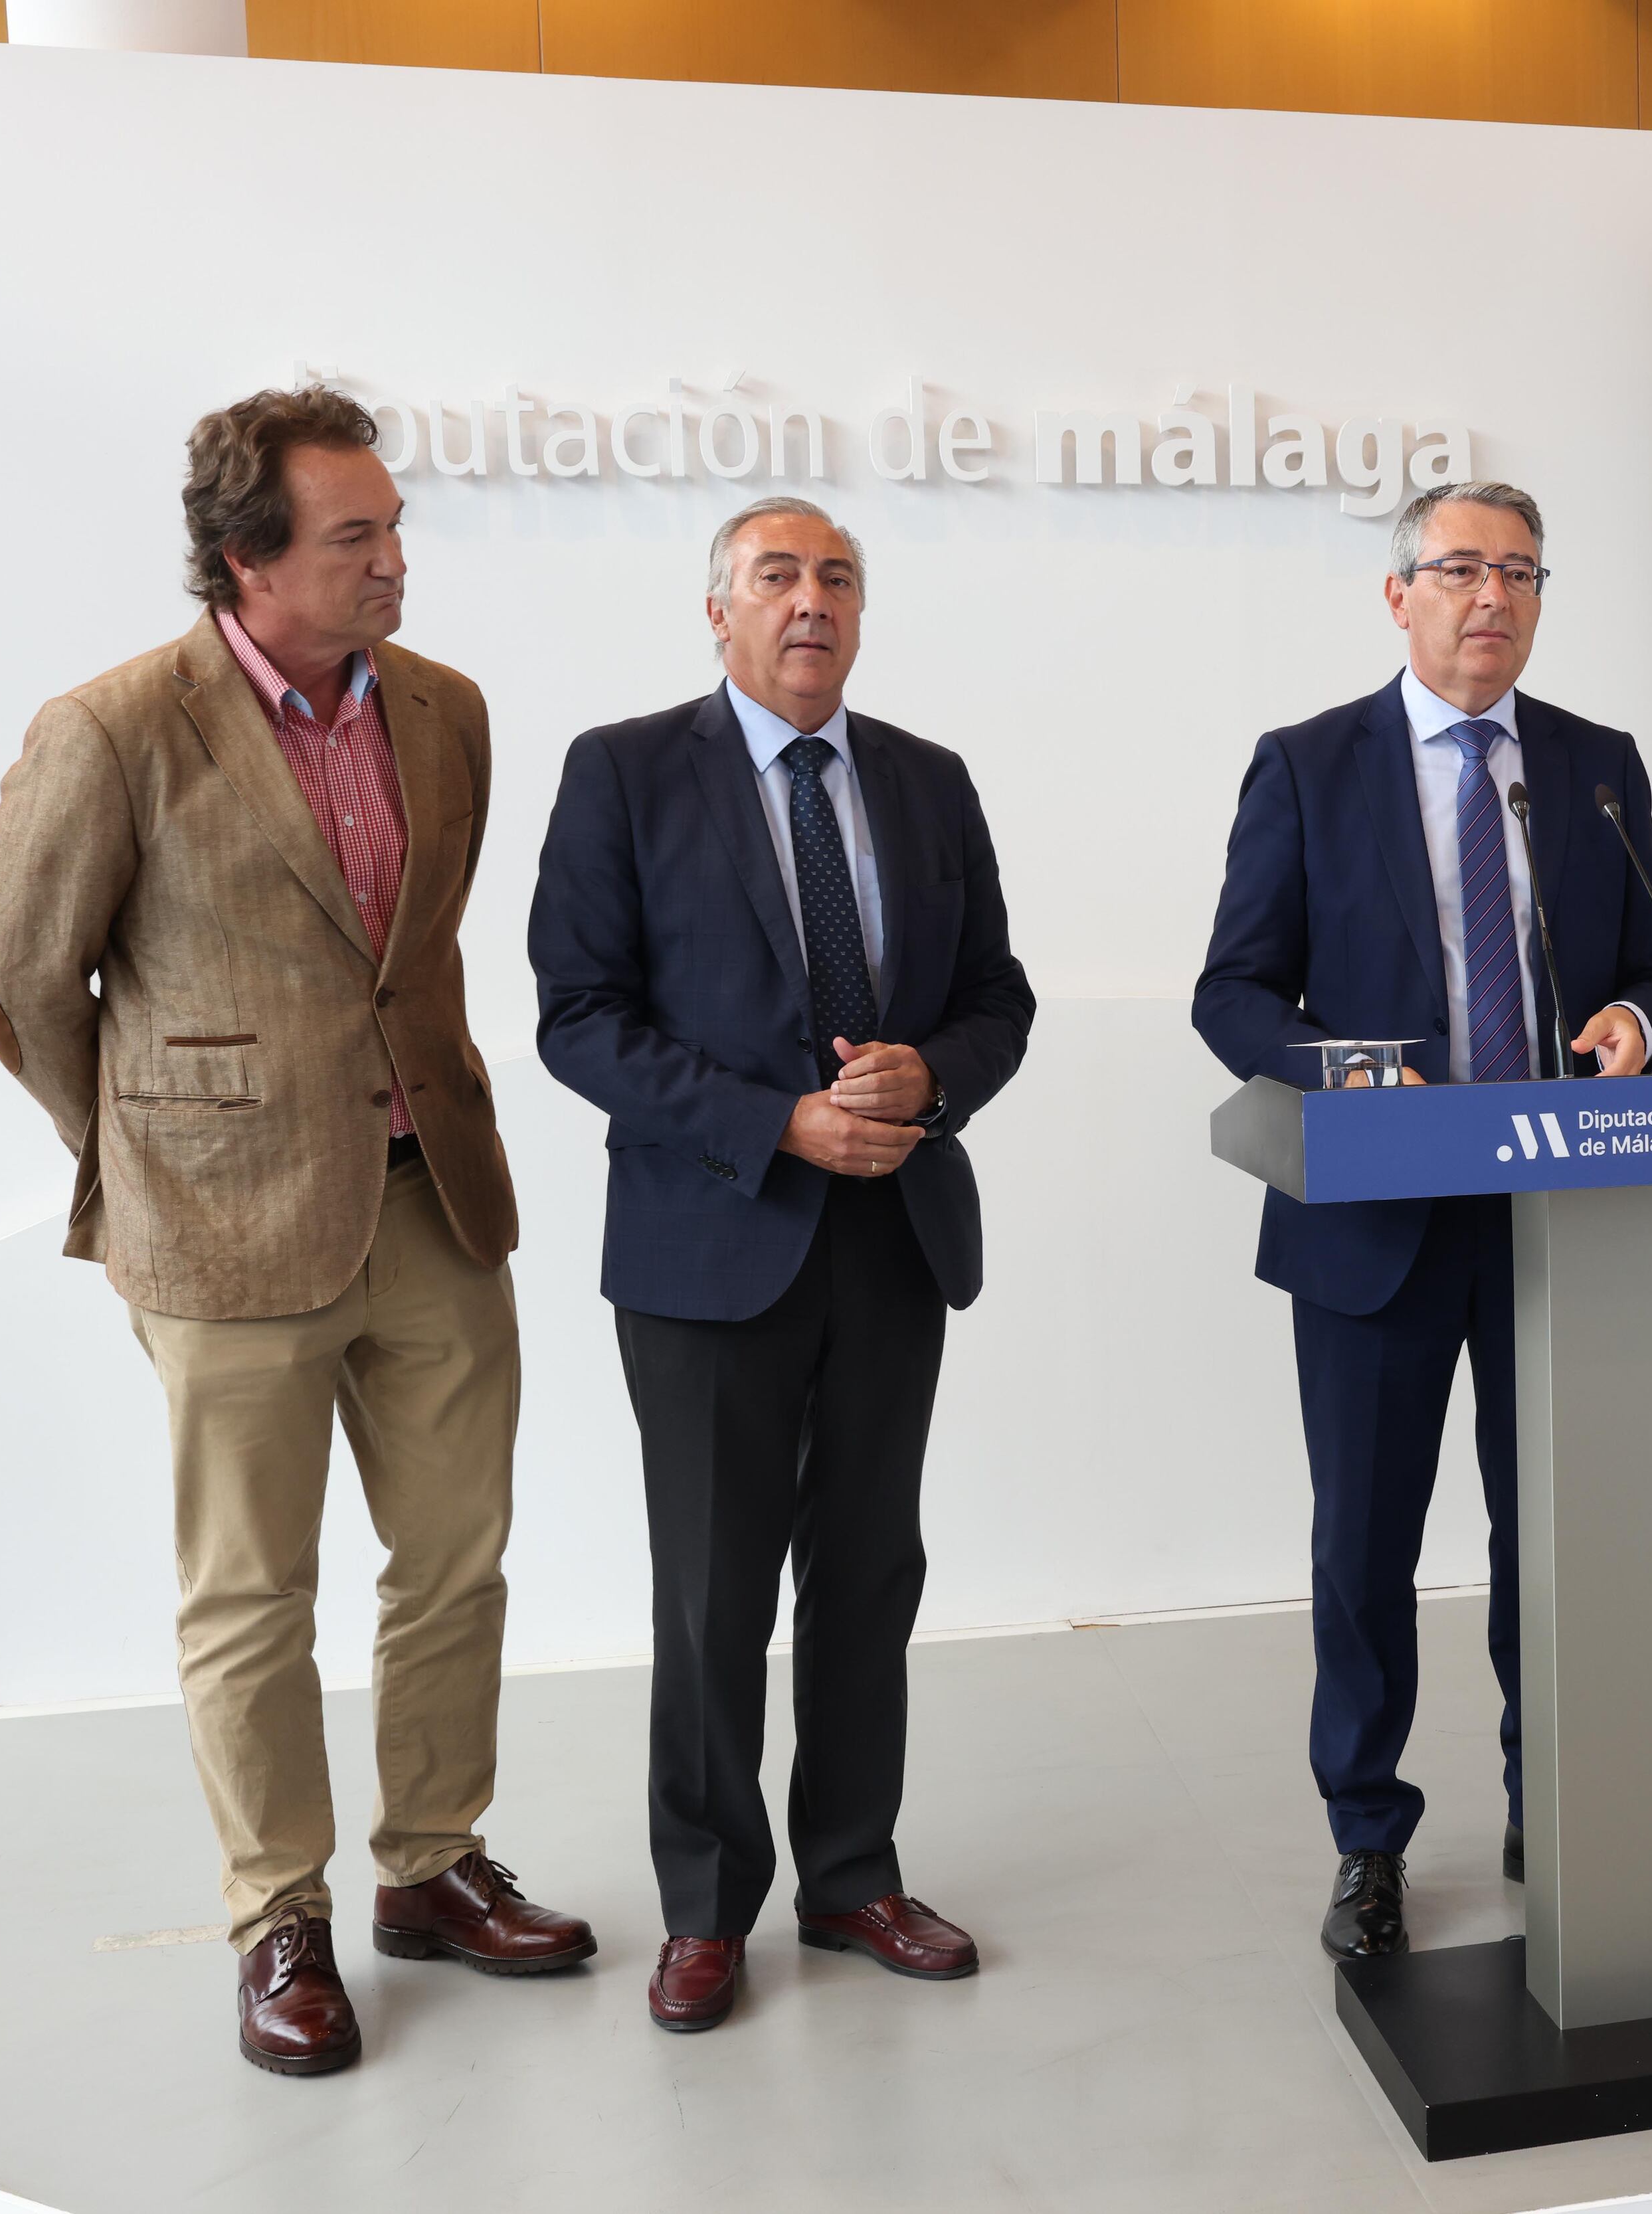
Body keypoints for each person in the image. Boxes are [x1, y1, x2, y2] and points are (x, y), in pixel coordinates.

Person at [0, 387, 590, 2078]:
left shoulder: (447, 710)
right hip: (221, 1232)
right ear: (247, 560)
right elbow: (18, 978)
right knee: (251, 1594)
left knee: (457, 1559)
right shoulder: (113, 728)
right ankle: (277, 1917)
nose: (396, 558)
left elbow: (419, 951)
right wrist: (146, 1149)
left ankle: (433, 1863)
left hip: (433, 1200)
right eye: (355, 535)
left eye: (394, 525)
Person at [527, 496, 1036, 2031]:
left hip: (893, 1233)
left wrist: (924, 1081)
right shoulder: (622, 771)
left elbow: (999, 998)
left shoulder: (929, 782)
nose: (810, 600)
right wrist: (778, 1122)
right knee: (712, 1589)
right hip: (707, 1245)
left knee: (870, 1570)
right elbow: (580, 1015)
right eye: (777, 575)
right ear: (718, 609)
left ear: (861, 615)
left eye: (837, 578)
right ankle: (704, 1905)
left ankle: (850, 1872)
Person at [1193, 480, 1652, 1958]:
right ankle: (1368, 1836)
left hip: (1561, 1215)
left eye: (1520, 571)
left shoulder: (1596, 767)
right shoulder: (1309, 765)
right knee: (1367, 1544)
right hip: (1378, 1222)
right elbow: (1233, 994)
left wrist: (1632, 1022)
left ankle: (1562, 1808)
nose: (1492, 596)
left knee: (1557, 1536)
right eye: (1461, 568)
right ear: (1398, 593)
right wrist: (1351, 1069)